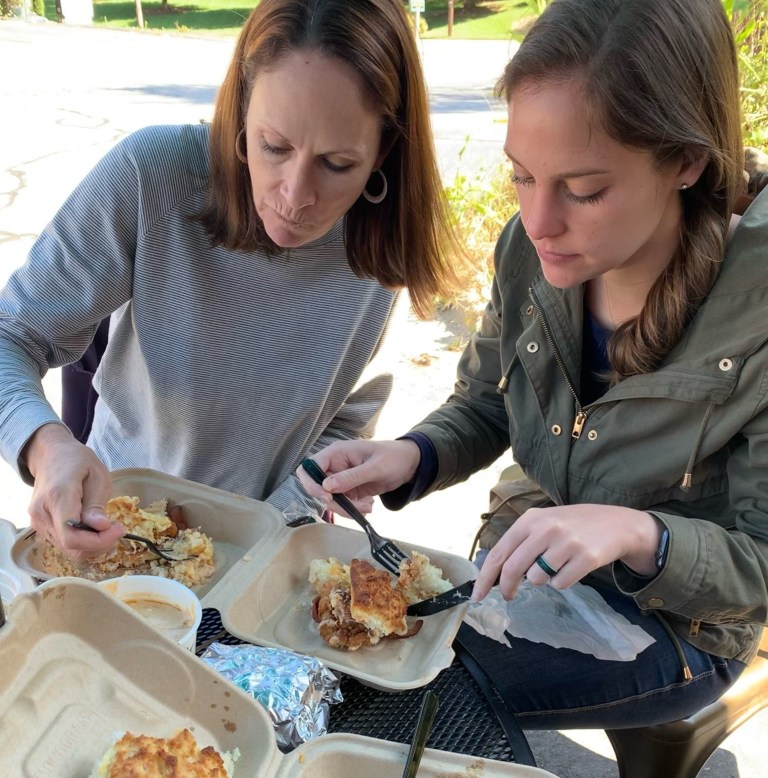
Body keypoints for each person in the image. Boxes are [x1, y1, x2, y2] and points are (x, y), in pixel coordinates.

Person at [298, 0, 768, 729]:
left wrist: (640, 534)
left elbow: (759, 565)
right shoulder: (526, 250)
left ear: (685, 160)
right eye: (521, 176)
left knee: (393, 697)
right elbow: (488, 400)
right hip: (526, 551)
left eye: (584, 190)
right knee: (341, 636)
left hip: (679, 620)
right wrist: (411, 455)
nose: (540, 223)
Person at [0, 0, 457, 560]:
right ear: (240, 111)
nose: (296, 196)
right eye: (274, 146)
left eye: (337, 164)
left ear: (384, 150)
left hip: (266, 553)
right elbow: (10, 335)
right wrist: (46, 446)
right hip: (115, 531)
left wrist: (264, 533)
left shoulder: (380, 241)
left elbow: (347, 418)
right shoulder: (151, 176)